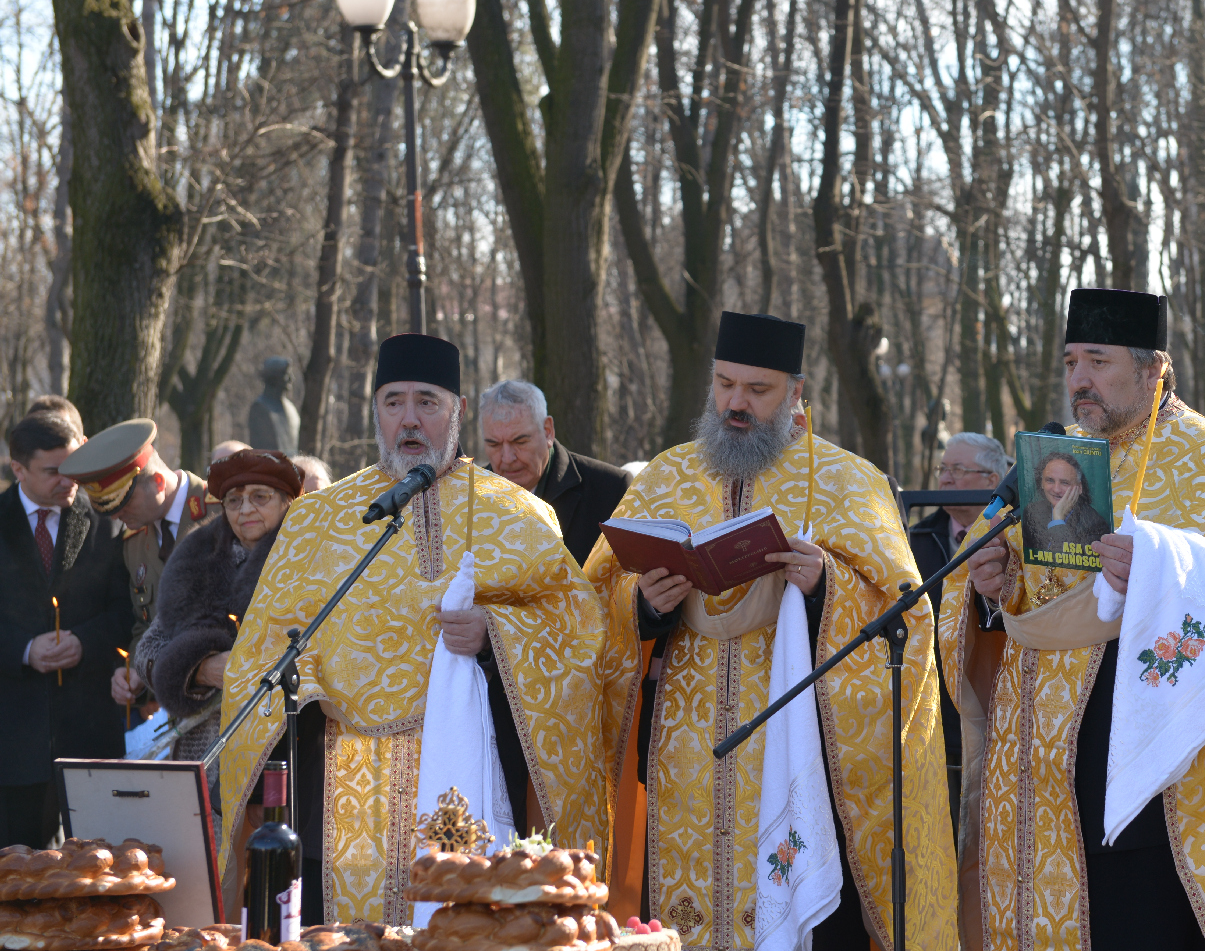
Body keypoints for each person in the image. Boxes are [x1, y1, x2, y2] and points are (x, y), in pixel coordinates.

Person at [944, 288, 1205, 951]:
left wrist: (1163, 567)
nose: (1079, 380)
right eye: (1069, 363)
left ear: (1154, 369)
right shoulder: (1051, 462)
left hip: (1167, 772)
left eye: (1097, 361)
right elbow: (1008, 594)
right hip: (1047, 765)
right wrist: (991, 585)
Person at [585, 311, 956, 950]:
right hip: (685, 759)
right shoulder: (667, 477)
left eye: (757, 391)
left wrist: (825, 589)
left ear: (795, 393)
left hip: (799, 750)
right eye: (725, 384)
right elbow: (592, 604)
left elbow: (908, 620)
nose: (736, 403)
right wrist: (644, 606)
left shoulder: (846, 482)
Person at [217, 333, 612, 926]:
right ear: (375, 411)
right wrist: (304, 690)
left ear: (455, 412)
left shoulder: (519, 515)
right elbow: (265, 648)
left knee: (461, 929)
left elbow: (579, 638)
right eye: (393, 400)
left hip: (470, 767)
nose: (409, 418)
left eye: (427, 401)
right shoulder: (320, 520)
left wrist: (494, 631)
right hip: (340, 774)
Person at [0, 412, 131, 847]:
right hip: (14, 743)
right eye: (53, 471)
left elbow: (127, 611)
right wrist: (22, 650)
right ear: (17, 469)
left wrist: (84, 641)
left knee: (103, 874)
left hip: (91, 733)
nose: (68, 480)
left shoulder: (107, 520)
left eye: (74, 465)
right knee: (20, 881)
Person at [133, 449, 302, 762]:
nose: (246, 509)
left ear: (287, 501)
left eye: (260, 497)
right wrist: (200, 670)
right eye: (234, 501)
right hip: (205, 751)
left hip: (285, 747)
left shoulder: (310, 563)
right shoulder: (198, 560)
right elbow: (145, 654)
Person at [59, 419, 220, 704]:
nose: (115, 516)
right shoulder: (134, 543)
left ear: (158, 482)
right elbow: (143, 623)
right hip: (174, 706)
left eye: (124, 504)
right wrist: (133, 669)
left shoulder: (221, 512)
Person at [907, 431, 1008, 834]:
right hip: (931, 711)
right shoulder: (913, 539)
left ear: (991, 480)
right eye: (943, 469)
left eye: (958, 470)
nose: (945, 479)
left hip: (994, 698)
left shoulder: (1016, 539)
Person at [480, 379, 632, 566]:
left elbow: (633, 587)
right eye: (493, 444)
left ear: (548, 431)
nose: (507, 457)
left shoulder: (610, 489)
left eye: (520, 442)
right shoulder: (467, 497)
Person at [1022, 449, 1109, 554]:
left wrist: (1058, 520)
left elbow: (1066, 561)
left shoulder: (1095, 525)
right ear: (1041, 483)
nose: (1056, 489)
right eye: (1050, 480)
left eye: (1064, 483)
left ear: (1079, 488)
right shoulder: (1032, 512)